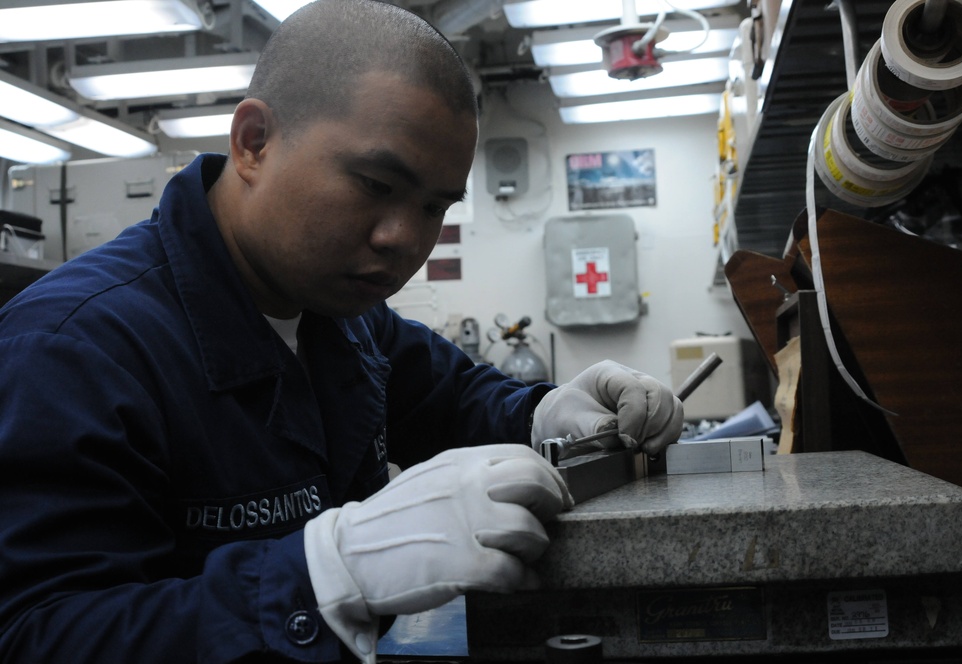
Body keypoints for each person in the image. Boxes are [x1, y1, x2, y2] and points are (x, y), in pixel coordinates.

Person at [0, 1, 684, 662]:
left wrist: (546, 414)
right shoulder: (72, 352)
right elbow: (38, 634)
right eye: (375, 185)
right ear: (253, 143)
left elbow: (451, 398)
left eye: (434, 207)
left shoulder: (340, 316)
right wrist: (327, 573)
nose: (404, 239)